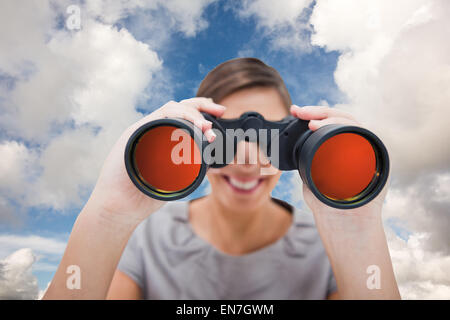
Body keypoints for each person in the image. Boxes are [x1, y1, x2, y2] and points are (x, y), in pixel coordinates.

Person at [43, 58, 400, 300]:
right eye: (221, 139)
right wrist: (108, 215)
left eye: (268, 138)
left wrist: (356, 229)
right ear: (193, 134)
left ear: (295, 140)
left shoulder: (326, 248)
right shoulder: (146, 241)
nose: (246, 158)